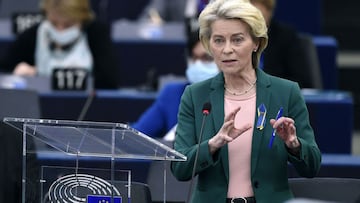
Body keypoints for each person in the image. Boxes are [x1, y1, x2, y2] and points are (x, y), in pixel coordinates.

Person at [170, 0, 322, 202]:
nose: (227, 49)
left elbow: (312, 166)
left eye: (237, 40)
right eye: (218, 40)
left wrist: (293, 144)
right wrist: (213, 145)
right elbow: (179, 168)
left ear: (256, 43)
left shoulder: (286, 92)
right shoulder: (195, 95)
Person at [0, 0, 119, 89]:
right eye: (54, 23)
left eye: (68, 25)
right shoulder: (34, 34)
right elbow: (4, 69)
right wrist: (16, 74)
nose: (60, 30)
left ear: (82, 19)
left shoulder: (96, 32)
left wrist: (41, 75)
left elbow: (109, 81)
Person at [131, 29, 218, 139]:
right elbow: (135, 138)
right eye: (194, 58)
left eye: (207, 58)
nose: (198, 64)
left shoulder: (236, 98)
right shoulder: (173, 94)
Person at [250, 0, 321, 89]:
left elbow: (300, 81)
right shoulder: (235, 40)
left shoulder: (285, 37)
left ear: (270, 12)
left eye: (258, 16)